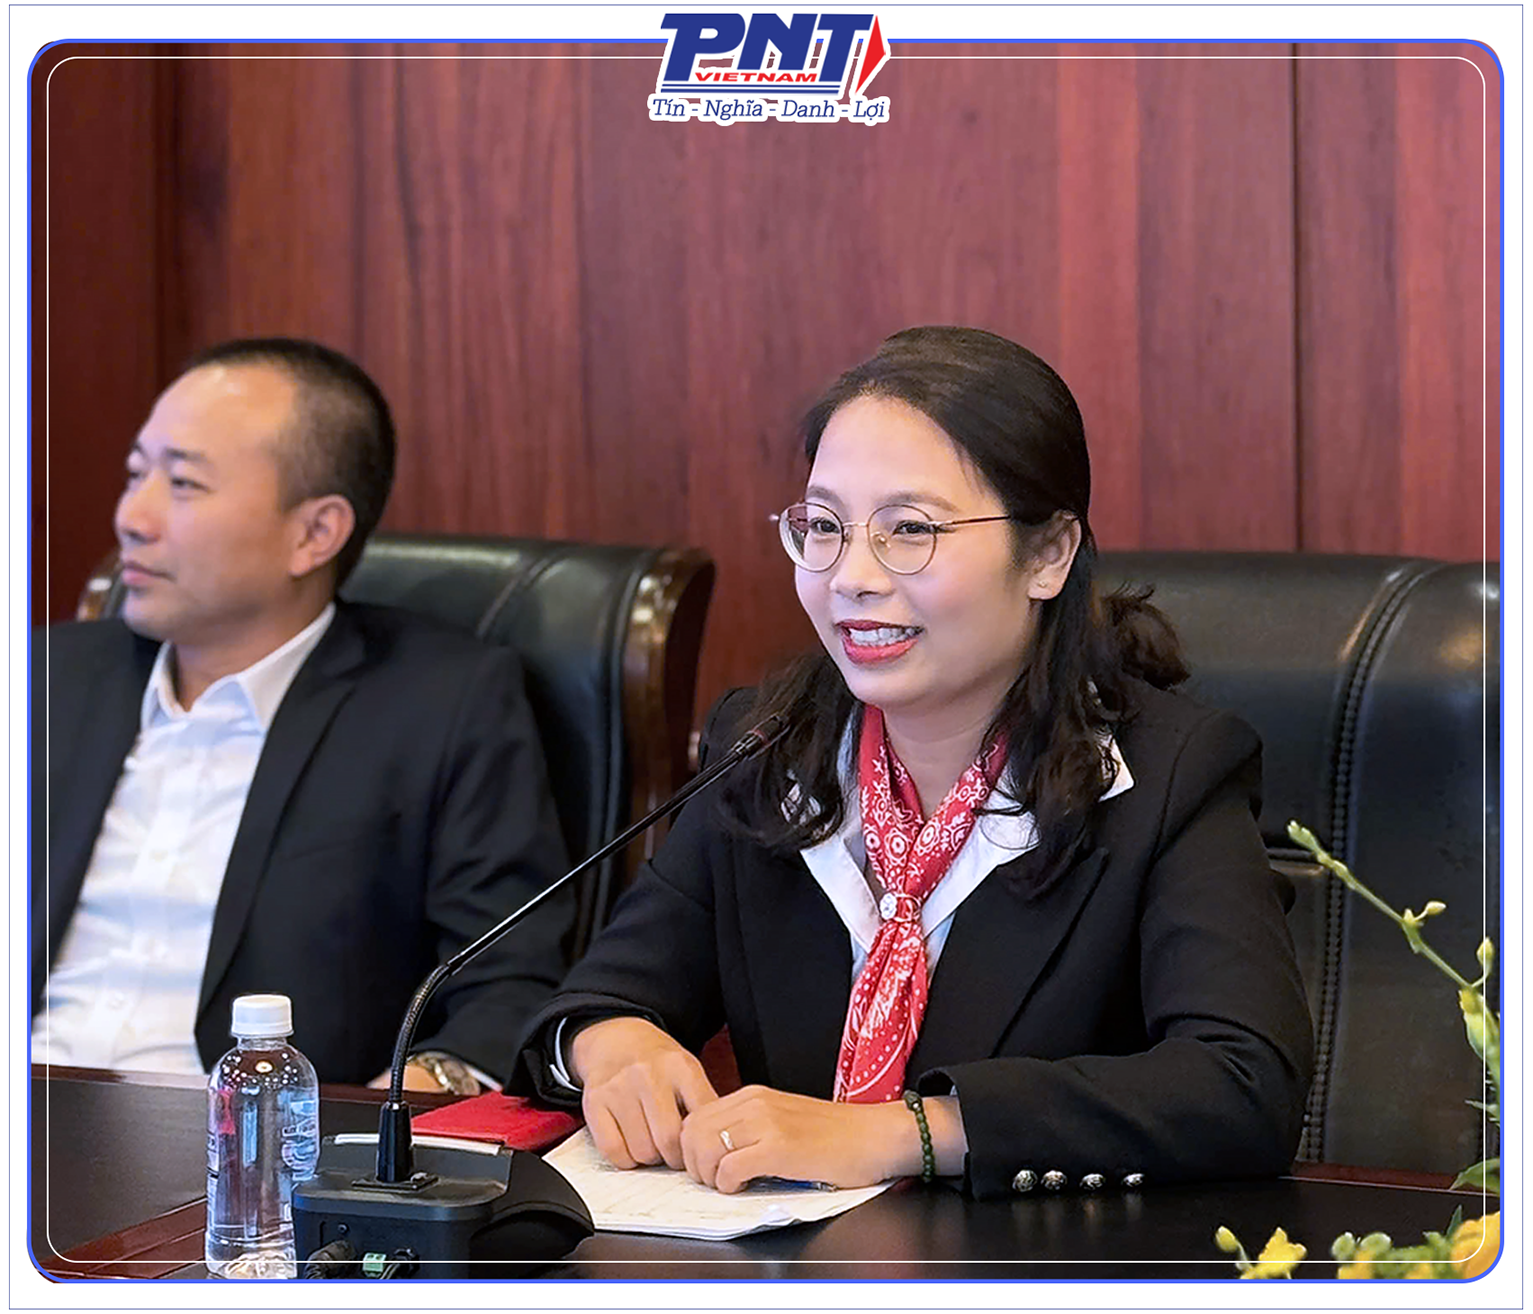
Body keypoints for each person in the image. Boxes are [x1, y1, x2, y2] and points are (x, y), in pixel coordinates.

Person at [516, 325, 1314, 1198]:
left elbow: (1241, 1086)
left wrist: (909, 1133)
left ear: (1048, 554)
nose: (851, 575)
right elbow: (598, 996)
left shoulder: (1165, 777)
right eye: (825, 527)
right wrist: (610, 1043)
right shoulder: (770, 747)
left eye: (909, 529)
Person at [33, 337, 573, 1092]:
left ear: (314, 533)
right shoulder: (45, 677)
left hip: (250, 1144)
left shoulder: (442, 704)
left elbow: (507, 982)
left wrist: (401, 1100)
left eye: (183, 484)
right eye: (135, 474)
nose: (132, 516)